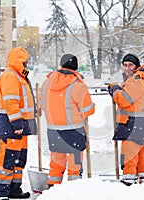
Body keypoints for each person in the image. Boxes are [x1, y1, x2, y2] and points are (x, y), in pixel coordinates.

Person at [39, 54, 95, 187]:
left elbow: (41, 103)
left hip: (53, 131)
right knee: (74, 168)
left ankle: (52, 190)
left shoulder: (47, 82)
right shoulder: (78, 85)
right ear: (76, 67)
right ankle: (72, 192)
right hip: (74, 132)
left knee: (56, 165)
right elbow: (88, 109)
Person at [0, 47, 37, 200]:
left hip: (20, 124)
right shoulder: (10, 76)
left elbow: (23, 102)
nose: (27, 63)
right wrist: (17, 122)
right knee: (8, 157)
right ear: (20, 60)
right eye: (25, 61)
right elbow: (11, 101)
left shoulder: (20, 76)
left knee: (19, 158)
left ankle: (14, 188)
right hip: (11, 123)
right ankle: (1, 192)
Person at [108, 53, 144, 186]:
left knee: (130, 156)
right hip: (142, 122)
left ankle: (128, 182)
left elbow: (123, 100)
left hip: (133, 123)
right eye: (125, 65)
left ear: (136, 66)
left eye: (130, 65)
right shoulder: (141, 78)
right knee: (142, 156)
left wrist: (114, 90)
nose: (127, 68)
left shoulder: (137, 80)